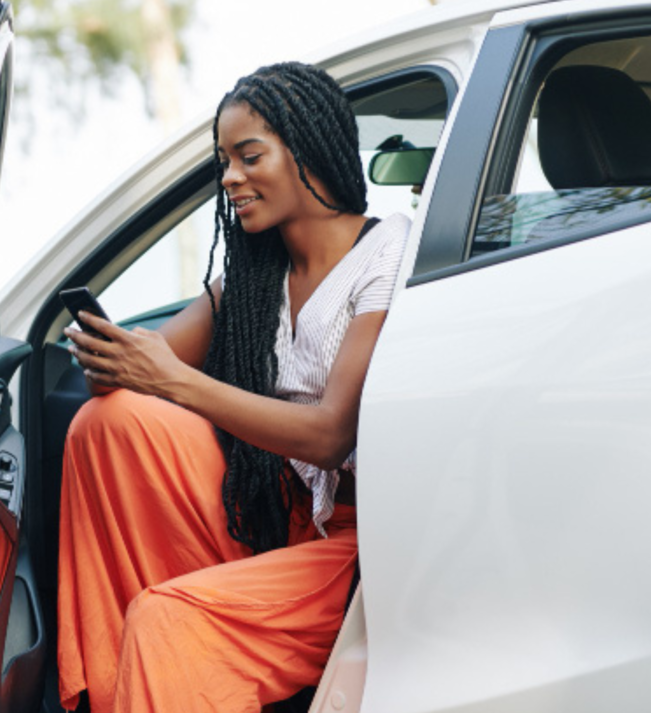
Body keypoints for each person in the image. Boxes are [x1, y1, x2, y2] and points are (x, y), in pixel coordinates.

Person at [57, 61, 411, 713]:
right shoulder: (252, 280)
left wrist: (173, 380)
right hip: (274, 507)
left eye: (249, 157)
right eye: (224, 161)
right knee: (107, 423)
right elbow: (140, 366)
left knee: (166, 621)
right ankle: (121, 692)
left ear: (307, 149)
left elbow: (333, 433)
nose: (230, 179)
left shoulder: (387, 253)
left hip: (359, 544)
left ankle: (169, 647)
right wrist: (113, 358)